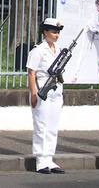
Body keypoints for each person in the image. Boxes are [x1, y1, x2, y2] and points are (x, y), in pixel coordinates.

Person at [27, 18, 66, 175]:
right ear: (45, 32)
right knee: (41, 124)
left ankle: (49, 157)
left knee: (52, 125)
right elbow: (31, 73)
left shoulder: (59, 50)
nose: (56, 35)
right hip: (42, 86)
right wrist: (33, 93)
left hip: (56, 88)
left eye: (58, 32)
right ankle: (41, 159)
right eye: (53, 32)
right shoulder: (39, 50)